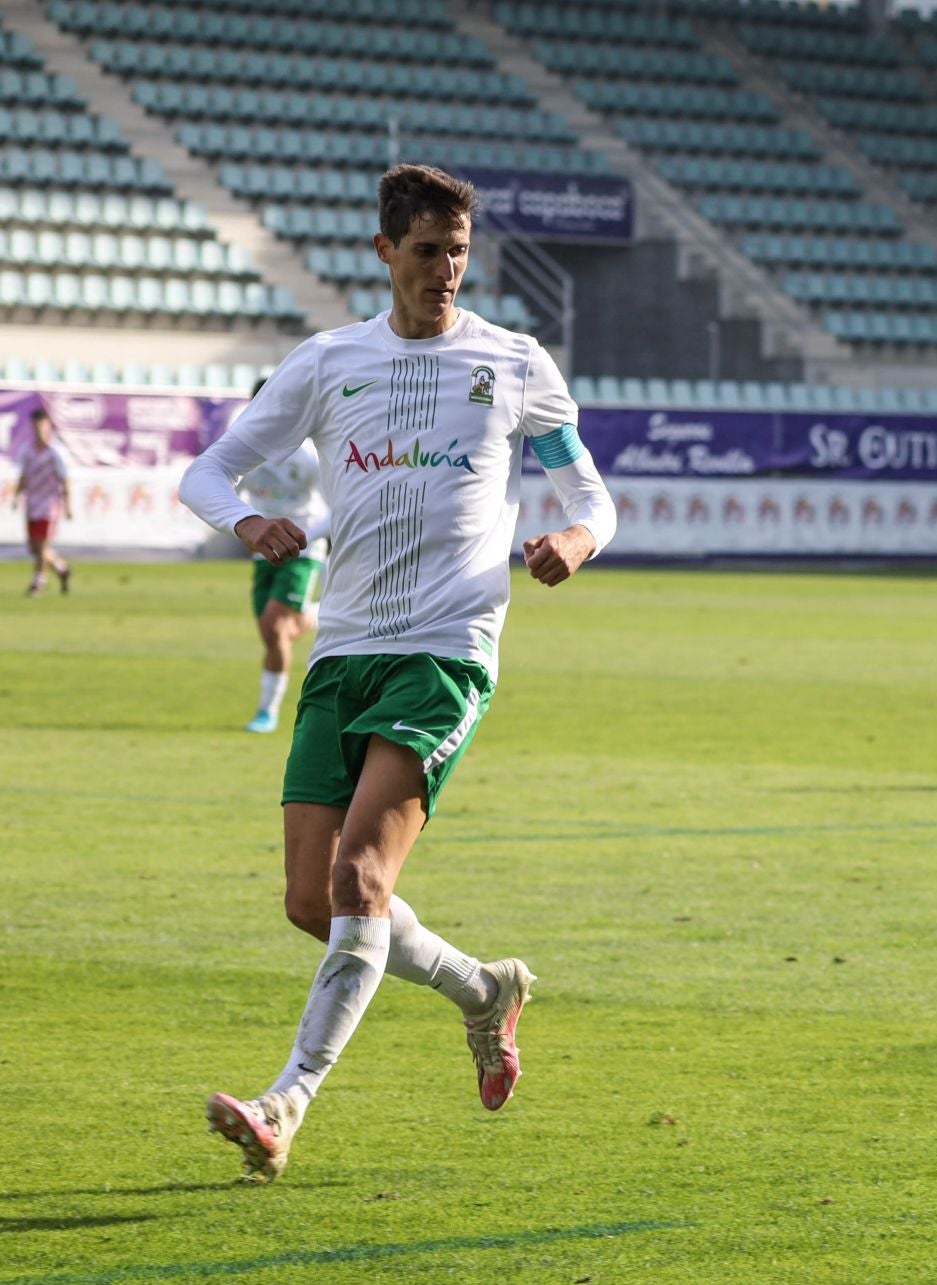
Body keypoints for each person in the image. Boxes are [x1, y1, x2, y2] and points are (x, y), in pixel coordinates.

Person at [177, 163, 618, 1183]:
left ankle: (285, 1103)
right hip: (344, 652)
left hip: (445, 652)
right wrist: (246, 521)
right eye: (426, 251)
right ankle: (482, 990)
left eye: (459, 252)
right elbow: (207, 471)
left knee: (360, 881)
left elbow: (590, 492)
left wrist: (576, 539)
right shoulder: (329, 360)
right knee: (312, 901)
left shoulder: (514, 362)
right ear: (385, 251)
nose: (445, 270)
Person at [234, 378, 329, 734]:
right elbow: (228, 487)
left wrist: (308, 538)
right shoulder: (246, 448)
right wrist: (243, 525)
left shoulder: (307, 454)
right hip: (264, 550)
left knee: (275, 627)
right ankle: (318, 614)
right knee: (274, 632)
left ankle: (267, 712)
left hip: (303, 548)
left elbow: (335, 503)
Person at [11, 407, 72, 596]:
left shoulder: (56, 452)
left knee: (43, 545)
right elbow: (23, 476)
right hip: (32, 503)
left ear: (48, 427)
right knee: (34, 548)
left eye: (42, 427)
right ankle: (61, 569)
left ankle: (38, 583)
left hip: (49, 504)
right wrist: (16, 496)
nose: (39, 431)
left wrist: (68, 505)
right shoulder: (27, 450)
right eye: (36, 427)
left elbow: (64, 479)